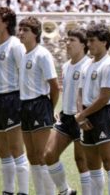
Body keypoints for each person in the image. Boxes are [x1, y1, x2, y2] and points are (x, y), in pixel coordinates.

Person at [44, 28, 91, 195]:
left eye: (72, 40)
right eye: (67, 40)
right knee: (48, 154)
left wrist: (84, 115)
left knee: (81, 161)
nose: (68, 43)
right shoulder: (65, 66)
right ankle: (65, 191)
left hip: (83, 117)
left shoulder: (89, 64)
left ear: (84, 45)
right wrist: (60, 109)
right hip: (65, 117)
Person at [75, 24, 110, 195]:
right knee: (92, 163)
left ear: (104, 42)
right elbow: (80, 92)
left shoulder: (109, 65)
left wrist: (82, 115)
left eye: (92, 40)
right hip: (86, 115)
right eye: (88, 40)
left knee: (109, 162)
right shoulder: (86, 65)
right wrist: (81, 115)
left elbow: (104, 97)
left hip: (103, 114)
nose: (88, 44)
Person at [0, 7, 30, 195]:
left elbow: (25, 75)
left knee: (16, 148)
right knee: (2, 150)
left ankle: (22, 191)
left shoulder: (15, 45)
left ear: (6, 23)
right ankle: (8, 191)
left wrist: (22, 103)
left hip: (12, 98)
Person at [18, 17, 60, 195]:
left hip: (40, 104)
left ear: (35, 33)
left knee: (43, 156)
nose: (21, 33)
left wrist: (49, 108)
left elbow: (55, 86)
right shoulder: (23, 55)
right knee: (32, 156)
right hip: (24, 106)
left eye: (25, 30)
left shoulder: (42, 54)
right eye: (20, 29)